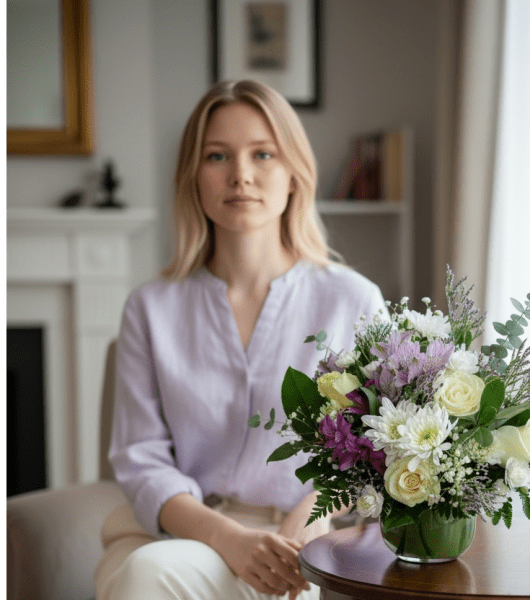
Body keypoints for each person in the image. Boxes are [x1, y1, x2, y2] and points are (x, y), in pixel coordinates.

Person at [95, 80, 388, 600]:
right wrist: (228, 539)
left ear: (294, 172)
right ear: (193, 176)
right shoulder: (149, 308)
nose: (241, 175)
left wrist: (313, 515)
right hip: (184, 534)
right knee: (146, 574)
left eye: (263, 154)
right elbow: (141, 458)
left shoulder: (354, 300)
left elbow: (381, 443)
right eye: (217, 156)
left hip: (303, 543)